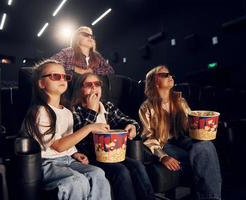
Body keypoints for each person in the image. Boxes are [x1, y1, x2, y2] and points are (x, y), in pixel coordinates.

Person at [21, 60, 111, 200]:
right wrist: (89, 128)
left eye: (65, 77)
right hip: (46, 162)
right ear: (41, 83)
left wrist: (75, 153)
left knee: (97, 173)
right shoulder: (40, 111)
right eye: (55, 76)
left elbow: (68, 142)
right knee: (77, 181)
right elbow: (59, 145)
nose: (62, 79)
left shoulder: (67, 112)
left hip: (68, 159)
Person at [138, 65, 222, 200]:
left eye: (171, 74)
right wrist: (162, 156)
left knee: (205, 146)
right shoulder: (146, 107)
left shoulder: (180, 101)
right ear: (154, 80)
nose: (170, 76)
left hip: (183, 139)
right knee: (200, 158)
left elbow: (191, 124)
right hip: (164, 144)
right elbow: (147, 136)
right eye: (165, 75)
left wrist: (200, 125)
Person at [72, 73, 155, 200]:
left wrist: (132, 127)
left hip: (112, 154)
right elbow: (80, 141)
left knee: (137, 166)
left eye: (97, 84)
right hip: (90, 157)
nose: (94, 88)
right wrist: (92, 111)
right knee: (121, 171)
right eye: (89, 85)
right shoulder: (74, 111)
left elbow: (129, 121)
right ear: (80, 90)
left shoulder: (107, 106)